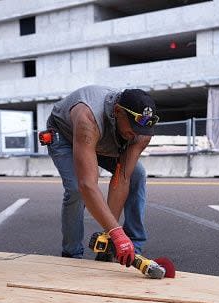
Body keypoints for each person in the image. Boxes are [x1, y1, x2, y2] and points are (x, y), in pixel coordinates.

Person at [45, 85, 159, 267]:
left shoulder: (141, 132)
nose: (136, 135)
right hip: (67, 134)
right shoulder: (87, 117)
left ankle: (132, 248)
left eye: (141, 130)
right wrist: (116, 231)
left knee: (137, 174)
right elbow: (87, 185)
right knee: (76, 188)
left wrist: (112, 235)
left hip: (105, 138)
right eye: (133, 129)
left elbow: (122, 178)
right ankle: (71, 253)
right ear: (118, 112)